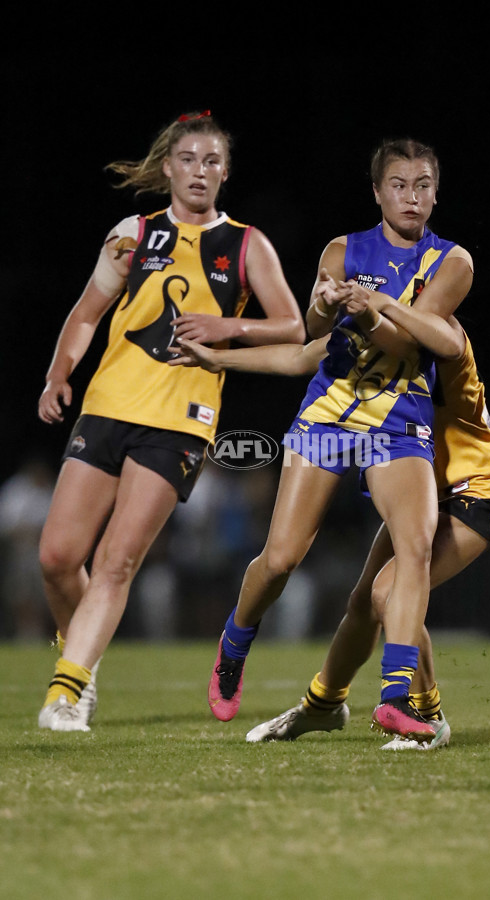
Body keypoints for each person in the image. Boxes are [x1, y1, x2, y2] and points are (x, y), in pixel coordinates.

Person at [174, 137, 475, 745]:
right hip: (329, 420)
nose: (411, 197)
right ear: (377, 192)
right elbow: (312, 341)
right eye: (398, 184)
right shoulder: (341, 251)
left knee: (413, 547)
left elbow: (409, 345)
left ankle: (397, 699)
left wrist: (368, 312)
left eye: (422, 185)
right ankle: (235, 642)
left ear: (436, 193)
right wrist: (314, 307)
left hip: (399, 421)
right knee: (281, 558)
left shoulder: (453, 263)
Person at [37, 111, 305, 732]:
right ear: (168, 168)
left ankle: (67, 692)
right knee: (56, 557)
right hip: (106, 405)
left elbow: (294, 327)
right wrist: (58, 375)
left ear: (225, 173)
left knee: (115, 562)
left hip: (180, 421)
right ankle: (83, 658)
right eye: (188, 159)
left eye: (212, 161)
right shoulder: (132, 234)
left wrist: (227, 327)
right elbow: (85, 314)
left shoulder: (245, 244)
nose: (200, 171)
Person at [172, 296, 490, 749]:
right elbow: (302, 354)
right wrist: (217, 357)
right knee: (362, 602)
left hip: (482, 490)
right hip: (428, 485)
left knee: (387, 592)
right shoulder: (371, 330)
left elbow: (439, 342)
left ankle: (427, 713)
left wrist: (376, 309)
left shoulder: (439, 334)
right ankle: (323, 704)